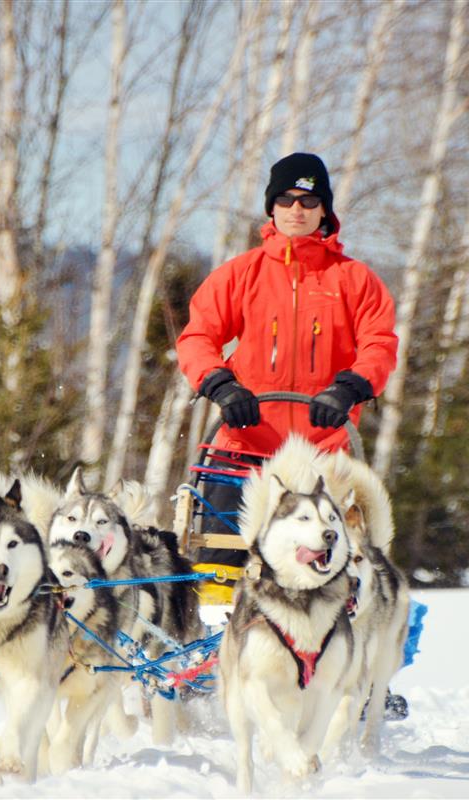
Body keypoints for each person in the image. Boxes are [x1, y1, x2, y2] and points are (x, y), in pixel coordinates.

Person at [175, 152, 398, 558]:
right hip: (244, 444)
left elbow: (379, 344)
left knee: (316, 572)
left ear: (324, 209)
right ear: (272, 207)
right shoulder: (240, 274)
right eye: (286, 200)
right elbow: (197, 337)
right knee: (222, 566)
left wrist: (349, 389)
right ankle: (215, 621)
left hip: (323, 454)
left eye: (309, 201)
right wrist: (222, 385)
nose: (297, 209)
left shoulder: (354, 280)